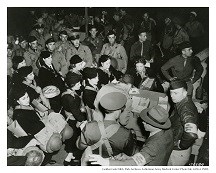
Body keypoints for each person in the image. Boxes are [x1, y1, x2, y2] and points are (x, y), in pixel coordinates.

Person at [88, 105, 173, 166]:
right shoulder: (168, 131)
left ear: (154, 125)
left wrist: (105, 162)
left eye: (146, 122)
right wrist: (130, 156)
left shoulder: (154, 146)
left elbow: (133, 163)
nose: (143, 122)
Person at [77, 92, 137, 163]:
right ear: (119, 110)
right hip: (109, 163)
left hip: (90, 161)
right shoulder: (126, 134)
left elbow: (79, 146)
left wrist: (83, 132)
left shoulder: (89, 126)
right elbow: (130, 154)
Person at [168, 80, 198, 166]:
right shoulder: (182, 102)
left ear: (185, 93)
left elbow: (191, 134)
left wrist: (181, 145)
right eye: (171, 93)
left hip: (178, 153)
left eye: (176, 93)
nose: (172, 96)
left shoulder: (186, 109)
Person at [61, 72, 87, 166]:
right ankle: (72, 157)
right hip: (73, 119)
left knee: (71, 138)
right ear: (72, 85)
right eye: (78, 84)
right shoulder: (71, 98)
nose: (80, 85)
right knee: (75, 137)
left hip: (68, 117)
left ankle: (69, 155)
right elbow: (76, 113)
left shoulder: (66, 92)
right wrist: (84, 120)